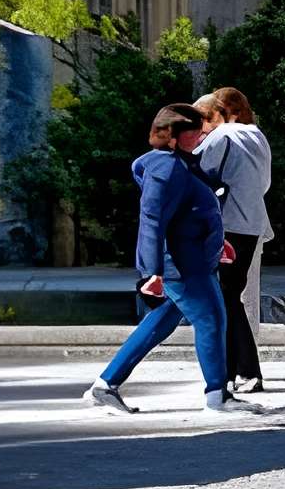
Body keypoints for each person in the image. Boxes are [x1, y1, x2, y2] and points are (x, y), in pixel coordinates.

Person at [84, 103, 250, 415]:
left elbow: (192, 213)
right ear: (172, 136)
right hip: (182, 265)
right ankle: (217, 396)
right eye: (194, 131)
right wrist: (152, 272)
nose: (202, 134)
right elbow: (153, 218)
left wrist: (219, 243)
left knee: (161, 322)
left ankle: (105, 386)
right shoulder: (166, 167)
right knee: (211, 318)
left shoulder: (181, 163)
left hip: (191, 259)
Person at [194, 86, 274, 396]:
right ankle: (234, 372)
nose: (201, 128)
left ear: (222, 114)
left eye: (204, 119)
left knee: (225, 298)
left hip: (228, 225)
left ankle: (244, 371)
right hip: (252, 225)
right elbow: (264, 184)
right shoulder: (257, 136)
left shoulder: (222, 136)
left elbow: (194, 171)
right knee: (230, 296)